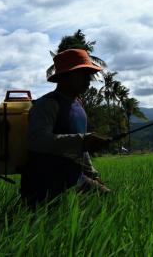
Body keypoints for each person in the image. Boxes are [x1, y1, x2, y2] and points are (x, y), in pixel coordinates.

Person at [20, 49, 112, 208]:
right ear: (66, 76)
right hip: (45, 181)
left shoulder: (78, 105)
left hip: (71, 176)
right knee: (105, 199)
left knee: (104, 203)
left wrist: (93, 175)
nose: (88, 80)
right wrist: (83, 140)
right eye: (83, 74)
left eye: (89, 74)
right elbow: (37, 140)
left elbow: (81, 149)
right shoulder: (47, 104)